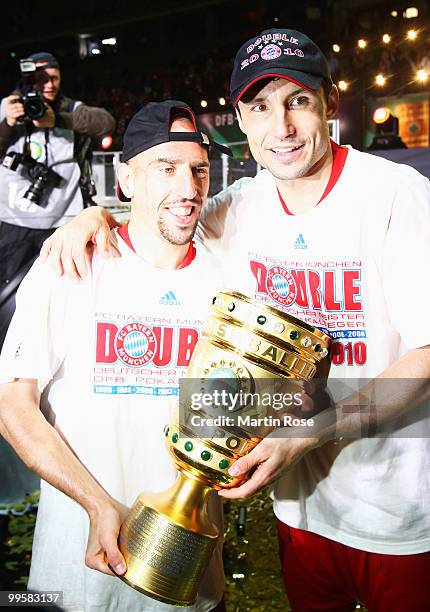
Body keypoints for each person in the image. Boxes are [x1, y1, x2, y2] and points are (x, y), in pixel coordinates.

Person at [40, 28, 430, 612]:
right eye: (261, 106)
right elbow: (163, 212)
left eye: (298, 100)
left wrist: (304, 435)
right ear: (242, 120)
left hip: (397, 505)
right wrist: (94, 215)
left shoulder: (396, 195)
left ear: (330, 104)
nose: (283, 128)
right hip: (301, 508)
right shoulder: (242, 207)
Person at [0, 100, 229, 611]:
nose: (187, 188)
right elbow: (12, 404)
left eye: (198, 169)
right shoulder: (72, 263)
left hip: (189, 581)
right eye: (164, 168)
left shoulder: (229, 277)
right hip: (78, 579)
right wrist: (96, 503)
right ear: (125, 179)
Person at [0, 51, 115, 286]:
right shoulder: (8, 106)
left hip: (65, 220)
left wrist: (60, 120)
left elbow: (106, 123)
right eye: (43, 79)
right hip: (15, 220)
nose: (50, 85)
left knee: (66, 285)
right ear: (29, 79)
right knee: (10, 291)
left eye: (55, 77)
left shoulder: (71, 108)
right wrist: (7, 123)